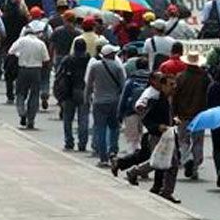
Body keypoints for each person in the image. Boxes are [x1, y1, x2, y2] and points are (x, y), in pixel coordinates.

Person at [125, 72, 181, 204]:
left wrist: (174, 121)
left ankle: (167, 192)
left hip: (169, 135)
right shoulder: (155, 100)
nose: (173, 87)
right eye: (170, 84)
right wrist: (157, 127)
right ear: (162, 85)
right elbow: (146, 119)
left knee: (171, 163)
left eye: (174, 84)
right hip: (157, 136)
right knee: (157, 162)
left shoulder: (170, 100)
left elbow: (168, 117)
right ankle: (134, 172)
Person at [85, 44, 125, 164]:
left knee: (100, 129)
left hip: (98, 101)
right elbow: (123, 86)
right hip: (114, 102)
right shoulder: (118, 67)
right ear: (111, 55)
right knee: (114, 128)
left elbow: (89, 84)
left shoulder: (95, 66)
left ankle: (103, 157)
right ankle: (113, 151)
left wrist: (86, 98)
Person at [173, 51, 211, 179]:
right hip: (200, 114)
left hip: (183, 114)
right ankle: (195, 167)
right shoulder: (205, 77)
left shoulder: (180, 77)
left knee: (183, 140)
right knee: (198, 141)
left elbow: (175, 96)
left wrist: (174, 112)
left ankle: (187, 158)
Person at [8, 22, 51, 130]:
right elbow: (46, 59)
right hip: (36, 70)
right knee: (34, 95)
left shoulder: (21, 41)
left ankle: (22, 112)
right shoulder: (41, 43)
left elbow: (11, 52)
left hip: (23, 69)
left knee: (21, 93)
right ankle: (31, 119)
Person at [55, 38, 90, 151]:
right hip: (84, 91)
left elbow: (59, 75)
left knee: (67, 119)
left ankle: (69, 141)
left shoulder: (68, 59)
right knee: (83, 119)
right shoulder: (89, 60)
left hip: (68, 91)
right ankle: (82, 143)